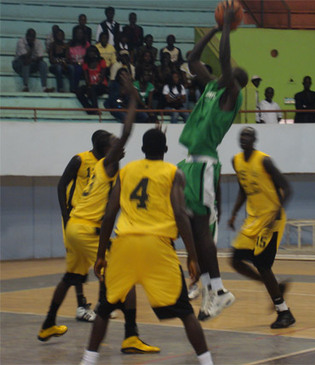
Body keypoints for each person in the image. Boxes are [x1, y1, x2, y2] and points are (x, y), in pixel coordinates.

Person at [40, 76, 160, 356]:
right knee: (125, 279)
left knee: (72, 276)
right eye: (115, 142)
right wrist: (132, 98)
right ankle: (130, 336)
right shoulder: (106, 164)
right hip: (87, 229)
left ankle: (48, 323)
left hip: (74, 229)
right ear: (108, 149)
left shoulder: (110, 168)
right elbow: (128, 131)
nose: (120, 143)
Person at [79, 128, 214, 365]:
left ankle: (87, 361)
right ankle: (207, 362)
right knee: (185, 313)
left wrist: (101, 254)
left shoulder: (127, 170)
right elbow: (181, 215)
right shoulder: (174, 172)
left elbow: (109, 213)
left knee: (104, 308)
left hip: (124, 245)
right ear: (166, 150)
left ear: (141, 150)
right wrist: (192, 256)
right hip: (157, 246)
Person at [177, 2, 248, 321]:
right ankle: (211, 290)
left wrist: (228, 31)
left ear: (234, 81)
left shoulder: (230, 95)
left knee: (203, 230)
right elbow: (193, 59)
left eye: (230, 72)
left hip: (205, 163)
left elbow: (222, 60)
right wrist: (214, 30)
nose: (224, 71)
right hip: (188, 163)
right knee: (190, 230)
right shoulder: (210, 87)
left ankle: (219, 290)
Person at [227, 127, 295, 328]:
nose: (244, 138)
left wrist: (277, 212)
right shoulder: (236, 161)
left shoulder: (264, 160)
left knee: (263, 265)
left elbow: (288, 188)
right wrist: (234, 213)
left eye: (248, 135)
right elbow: (243, 188)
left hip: (271, 219)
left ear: (254, 140)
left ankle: (284, 313)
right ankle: (274, 286)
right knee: (236, 260)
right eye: (242, 135)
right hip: (252, 218)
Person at [56, 129, 111, 321]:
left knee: (103, 261)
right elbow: (61, 185)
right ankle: (81, 306)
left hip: (93, 220)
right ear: (102, 146)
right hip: (75, 218)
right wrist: (65, 216)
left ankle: (102, 306)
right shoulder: (79, 160)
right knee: (77, 265)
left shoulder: (106, 166)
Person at [12, 28, 54, 92]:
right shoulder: (20, 42)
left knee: (43, 64)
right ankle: (25, 86)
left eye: (33, 37)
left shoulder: (38, 42)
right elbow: (25, 57)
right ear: (26, 36)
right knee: (25, 62)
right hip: (18, 64)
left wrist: (32, 60)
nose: (31, 38)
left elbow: (41, 57)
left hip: (32, 62)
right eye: (29, 36)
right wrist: (31, 48)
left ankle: (44, 87)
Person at [76, 46, 108, 114]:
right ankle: (89, 109)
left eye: (93, 52)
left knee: (93, 88)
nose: (91, 54)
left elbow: (102, 76)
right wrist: (89, 86)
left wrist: (95, 85)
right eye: (90, 52)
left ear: (96, 53)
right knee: (79, 90)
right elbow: (86, 77)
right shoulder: (86, 63)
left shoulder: (101, 61)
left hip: (102, 85)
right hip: (91, 85)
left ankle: (95, 109)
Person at [68, 26, 90, 92]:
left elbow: (89, 56)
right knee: (76, 68)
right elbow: (67, 57)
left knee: (81, 68)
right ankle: (74, 88)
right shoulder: (70, 44)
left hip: (84, 64)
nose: (79, 34)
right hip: (73, 64)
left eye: (81, 33)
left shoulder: (87, 44)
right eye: (77, 33)